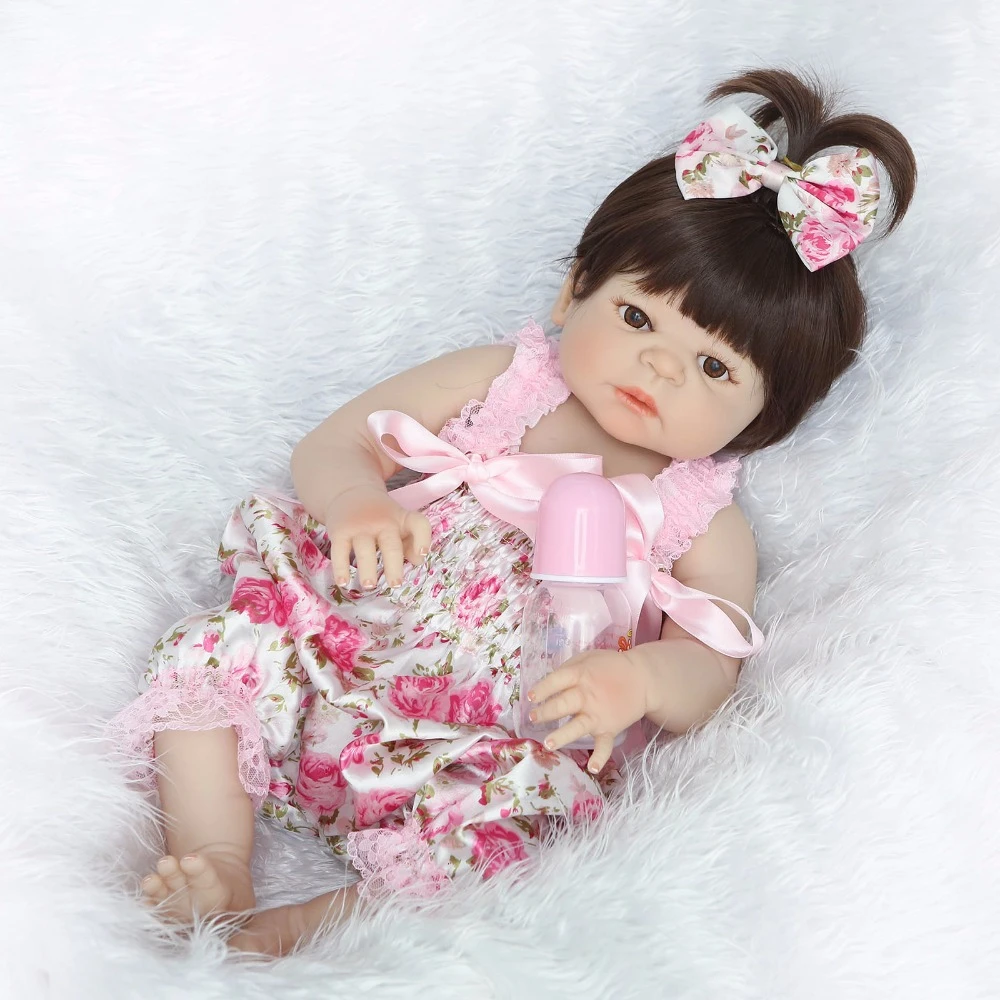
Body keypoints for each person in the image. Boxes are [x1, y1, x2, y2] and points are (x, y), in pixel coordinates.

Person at [107, 67, 917, 956]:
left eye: (714, 367)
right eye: (638, 318)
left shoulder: (702, 517)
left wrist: (642, 682)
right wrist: (356, 500)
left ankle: (300, 930)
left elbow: (711, 671)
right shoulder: (507, 382)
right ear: (574, 291)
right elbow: (338, 441)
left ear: (762, 422)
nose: (659, 368)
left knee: (530, 834)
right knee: (213, 647)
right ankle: (218, 856)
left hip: (483, 749)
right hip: (345, 653)